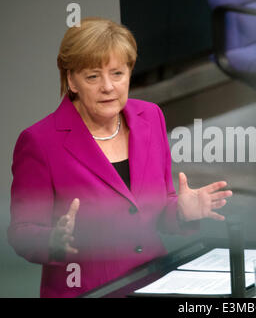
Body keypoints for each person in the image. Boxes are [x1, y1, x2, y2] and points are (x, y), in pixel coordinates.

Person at [8, 17, 232, 298]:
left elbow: (157, 211)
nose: (108, 87)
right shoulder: (40, 142)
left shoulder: (150, 117)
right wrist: (53, 239)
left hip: (154, 284)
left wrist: (182, 211)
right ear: (71, 80)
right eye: (93, 76)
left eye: (117, 73)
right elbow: (22, 232)